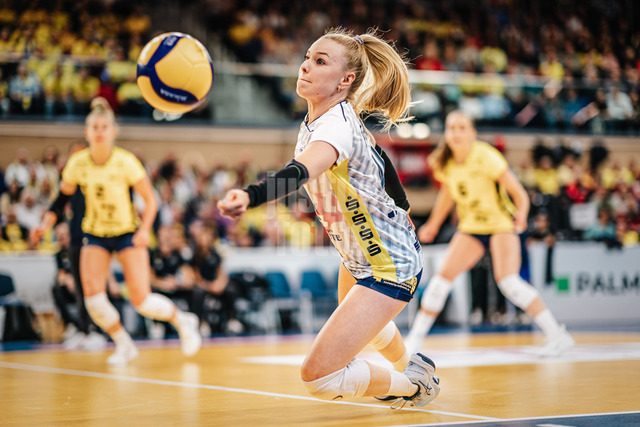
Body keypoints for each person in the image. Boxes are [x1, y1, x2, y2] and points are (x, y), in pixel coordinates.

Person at [218, 28, 439, 408]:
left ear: (345, 80)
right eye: (307, 57)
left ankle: (413, 387)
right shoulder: (329, 117)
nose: (305, 65)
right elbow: (379, 156)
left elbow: (300, 171)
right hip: (360, 254)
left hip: (389, 264)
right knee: (365, 326)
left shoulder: (334, 126)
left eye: (320, 61)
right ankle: (413, 366)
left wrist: (252, 195)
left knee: (319, 377)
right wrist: (401, 204)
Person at [32, 97, 201, 366]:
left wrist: (144, 230)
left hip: (126, 234)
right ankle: (124, 344)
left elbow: (151, 200)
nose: (99, 132)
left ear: (113, 131)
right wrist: (44, 226)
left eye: (104, 127)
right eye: (94, 127)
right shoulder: (78, 163)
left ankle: (182, 321)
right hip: (95, 234)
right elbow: (60, 200)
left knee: (141, 300)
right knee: (94, 300)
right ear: (87, 132)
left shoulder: (126, 162)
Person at [404, 111, 574, 357]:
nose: (456, 133)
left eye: (462, 127)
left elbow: (519, 193)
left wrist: (522, 215)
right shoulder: (446, 163)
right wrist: (433, 224)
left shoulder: (486, 156)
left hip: (500, 225)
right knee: (441, 281)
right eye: (452, 128)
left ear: (472, 133)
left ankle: (557, 335)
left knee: (509, 283)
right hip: (471, 228)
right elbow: (448, 194)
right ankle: (414, 341)